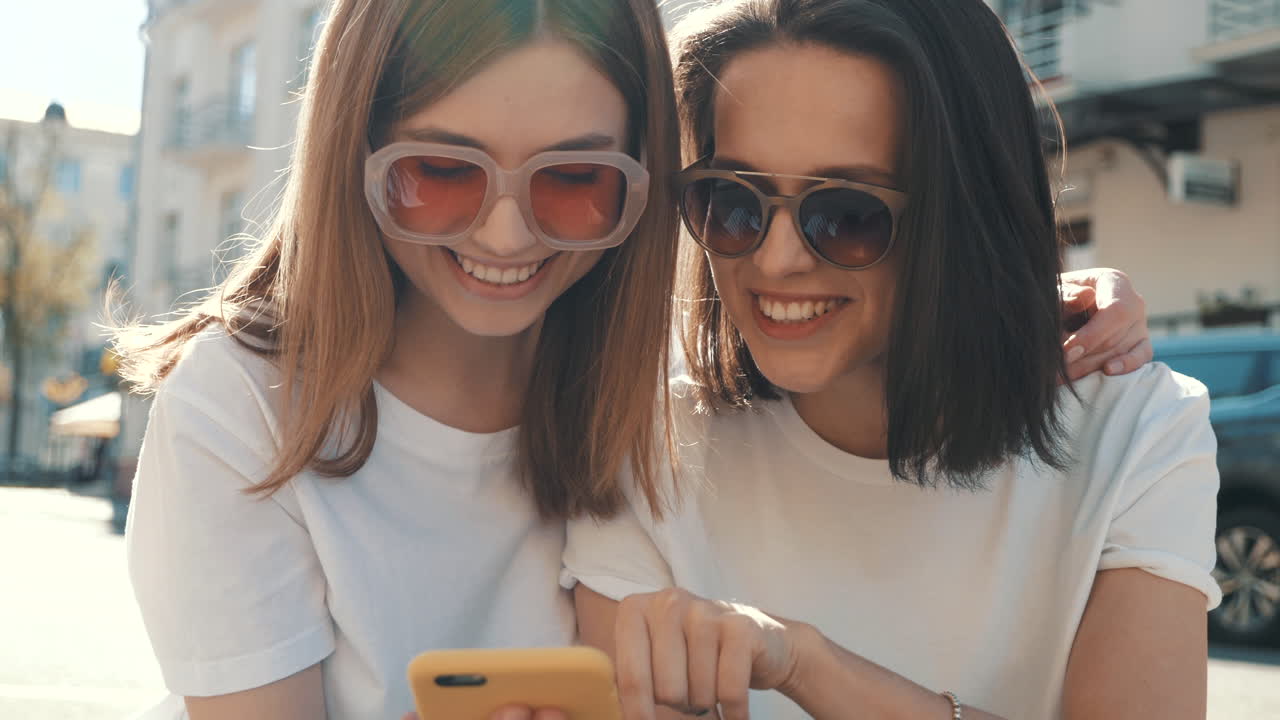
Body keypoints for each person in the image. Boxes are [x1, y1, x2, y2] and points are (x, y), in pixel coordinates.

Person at [559, 1, 1218, 719]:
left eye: (847, 215)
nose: (776, 260)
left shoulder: (1136, 432)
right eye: (733, 200)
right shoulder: (645, 452)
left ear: (965, 214)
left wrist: (807, 666)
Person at [117, 1, 681, 717]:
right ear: (353, 150)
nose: (505, 235)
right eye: (443, 171)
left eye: (573, 180)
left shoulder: (658, 404)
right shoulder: (238, 403)